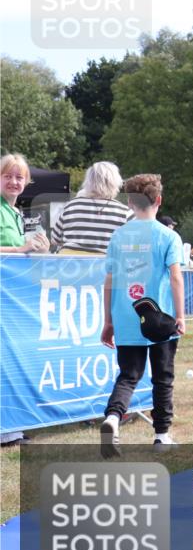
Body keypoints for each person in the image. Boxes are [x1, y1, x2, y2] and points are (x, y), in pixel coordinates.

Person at [99, 174, 185, 455]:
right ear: (158, 200)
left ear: (130, 202)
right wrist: (181, 316)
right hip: (159, 318)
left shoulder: (118, 235)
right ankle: (161, 435)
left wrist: (108, 321)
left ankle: (113, 417)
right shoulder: (168, 236)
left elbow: (109, 281)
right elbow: (175, 278)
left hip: (125, 316)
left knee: (128, 375)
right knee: (163, 377)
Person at [0, 154, 50, 446]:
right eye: (8, 176)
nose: (14, 182)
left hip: (13, 299)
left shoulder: (17, 212)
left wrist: (39, 249)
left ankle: (12, 425)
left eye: (19, 177)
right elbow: (14, 250)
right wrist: (21, 249)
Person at [51, 160, 133, 254]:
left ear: (88, 182)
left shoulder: (71, 207)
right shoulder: (125, 213)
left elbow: (54, 239)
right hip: (105, 267)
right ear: (115, 183)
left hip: (68, 265)